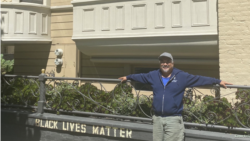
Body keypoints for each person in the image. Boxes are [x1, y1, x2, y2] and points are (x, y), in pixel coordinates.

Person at [118, 52, 232, 141]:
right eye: (162, 62)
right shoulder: (153, 75)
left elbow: (199, 79)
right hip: (157, 119)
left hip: (173, 119)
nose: (165, 64)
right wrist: (128, 77)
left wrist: (218, 81)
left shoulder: (181, 76)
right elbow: (141, 76)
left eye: (168, 61)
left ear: (173, 63)